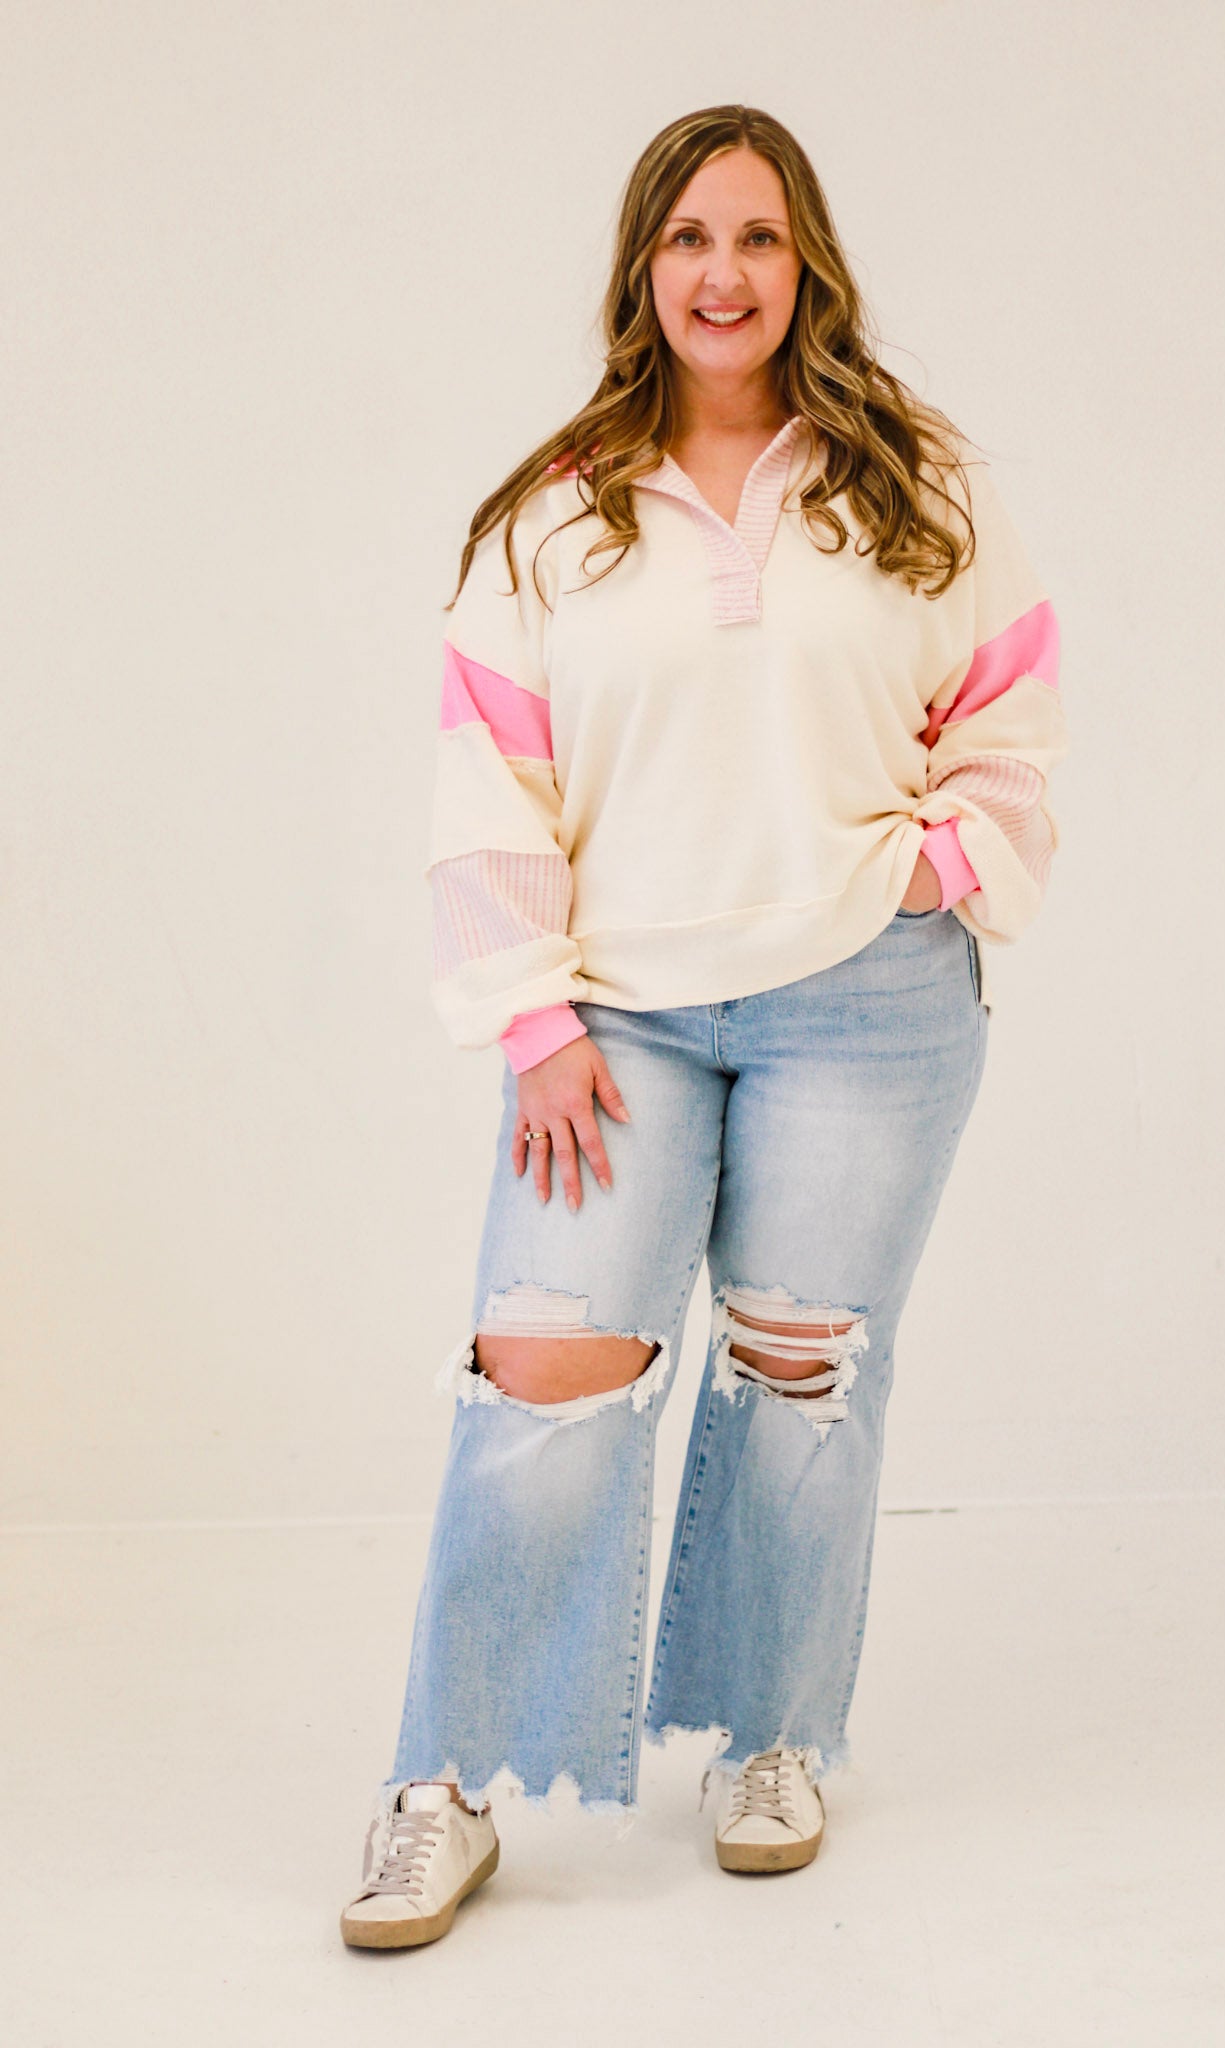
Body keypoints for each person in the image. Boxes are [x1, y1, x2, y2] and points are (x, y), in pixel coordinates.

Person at [340, 102, 1066, 1950]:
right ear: (640, 269)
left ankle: (771, 1737)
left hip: (868, 1003)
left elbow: (1009, 716)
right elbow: (487, 785)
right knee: (542, 1380)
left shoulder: (916, 481)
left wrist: (938, 870)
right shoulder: (550, 514)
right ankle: (445, 1781)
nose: (720, 274)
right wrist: (532, 1018)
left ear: (804, 261)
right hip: (616, 1025)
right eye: (686, 239)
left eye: (754, 237)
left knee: (799, 1379)